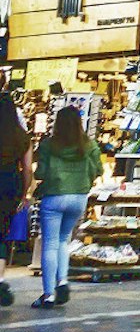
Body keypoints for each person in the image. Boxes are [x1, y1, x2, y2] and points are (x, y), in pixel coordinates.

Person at [31, 104, 102, 309]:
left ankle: (48, 294)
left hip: (54, 196)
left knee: (50, 243)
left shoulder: (48, 146)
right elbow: (97, 169)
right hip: (79, 197)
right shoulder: (89, 146)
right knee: (64, 240)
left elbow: (40, 173)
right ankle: (62, 281)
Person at [0, 91, 30, 307]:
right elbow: (27, 168)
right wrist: (24, 193)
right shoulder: (22, 136)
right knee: (2, 234)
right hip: (11, 184)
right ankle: (0, 280)